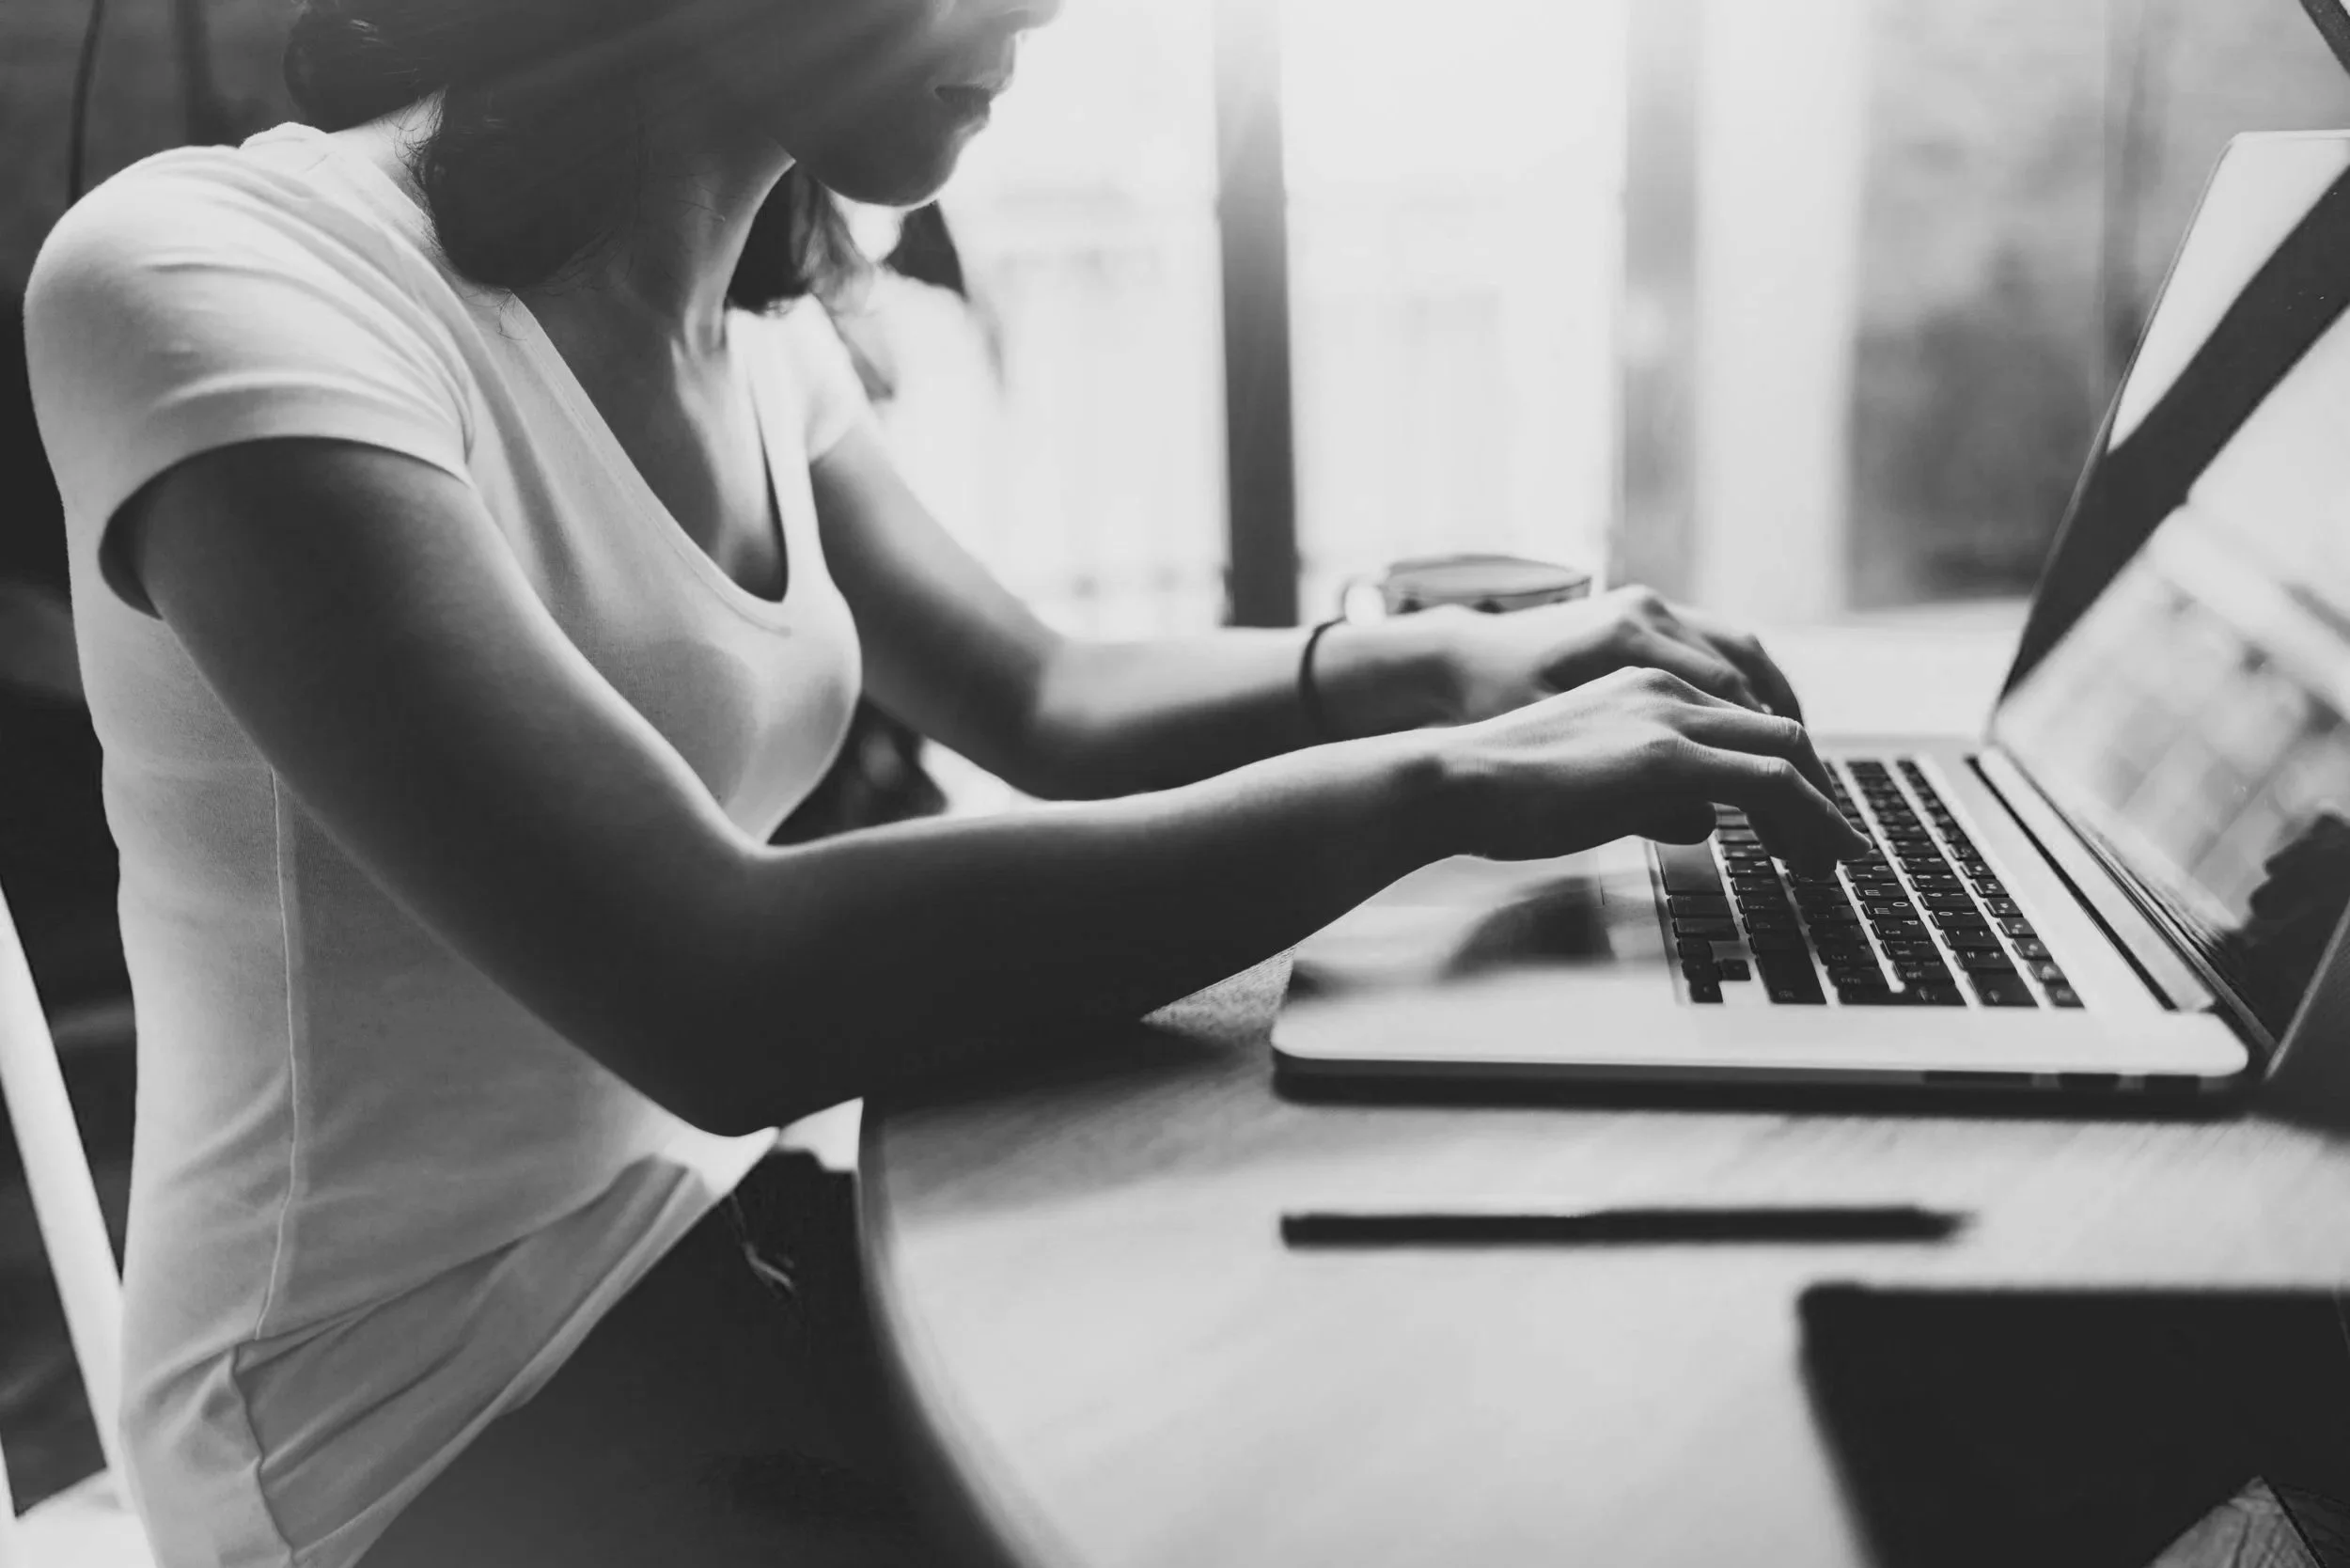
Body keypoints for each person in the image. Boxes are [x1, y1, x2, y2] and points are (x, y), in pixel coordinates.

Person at [20, 0, 1866, 1562]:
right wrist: (1441, 784)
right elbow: (716, 982)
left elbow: (1038, 691)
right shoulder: (216, 277)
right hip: (384, 1416)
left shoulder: (752, 323)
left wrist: (1436, 665)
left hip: (686, 1238)